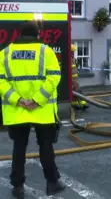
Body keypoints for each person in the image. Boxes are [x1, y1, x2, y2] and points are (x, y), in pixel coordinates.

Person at [0, 21, 65, 198]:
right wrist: (37, 100)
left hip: (17, 110)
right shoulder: (46, 51)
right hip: (41, 110)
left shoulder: (5, 53)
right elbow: (53, 78)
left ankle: (18, 187)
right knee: (45, 145)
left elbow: (1, 81)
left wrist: (18, 100)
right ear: (38, 35)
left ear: (19, 34)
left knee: (19, 147)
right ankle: (52, 182)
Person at [71, 44, 88, 110]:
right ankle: (81, 103)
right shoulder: (67, 60)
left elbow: (76, 68)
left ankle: (78, 103)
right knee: (77, 90)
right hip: (71, 79)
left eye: (73, 52)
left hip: (75, 78)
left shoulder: (74, 59)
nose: (72, 54)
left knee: (76, 90)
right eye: (71, 52)